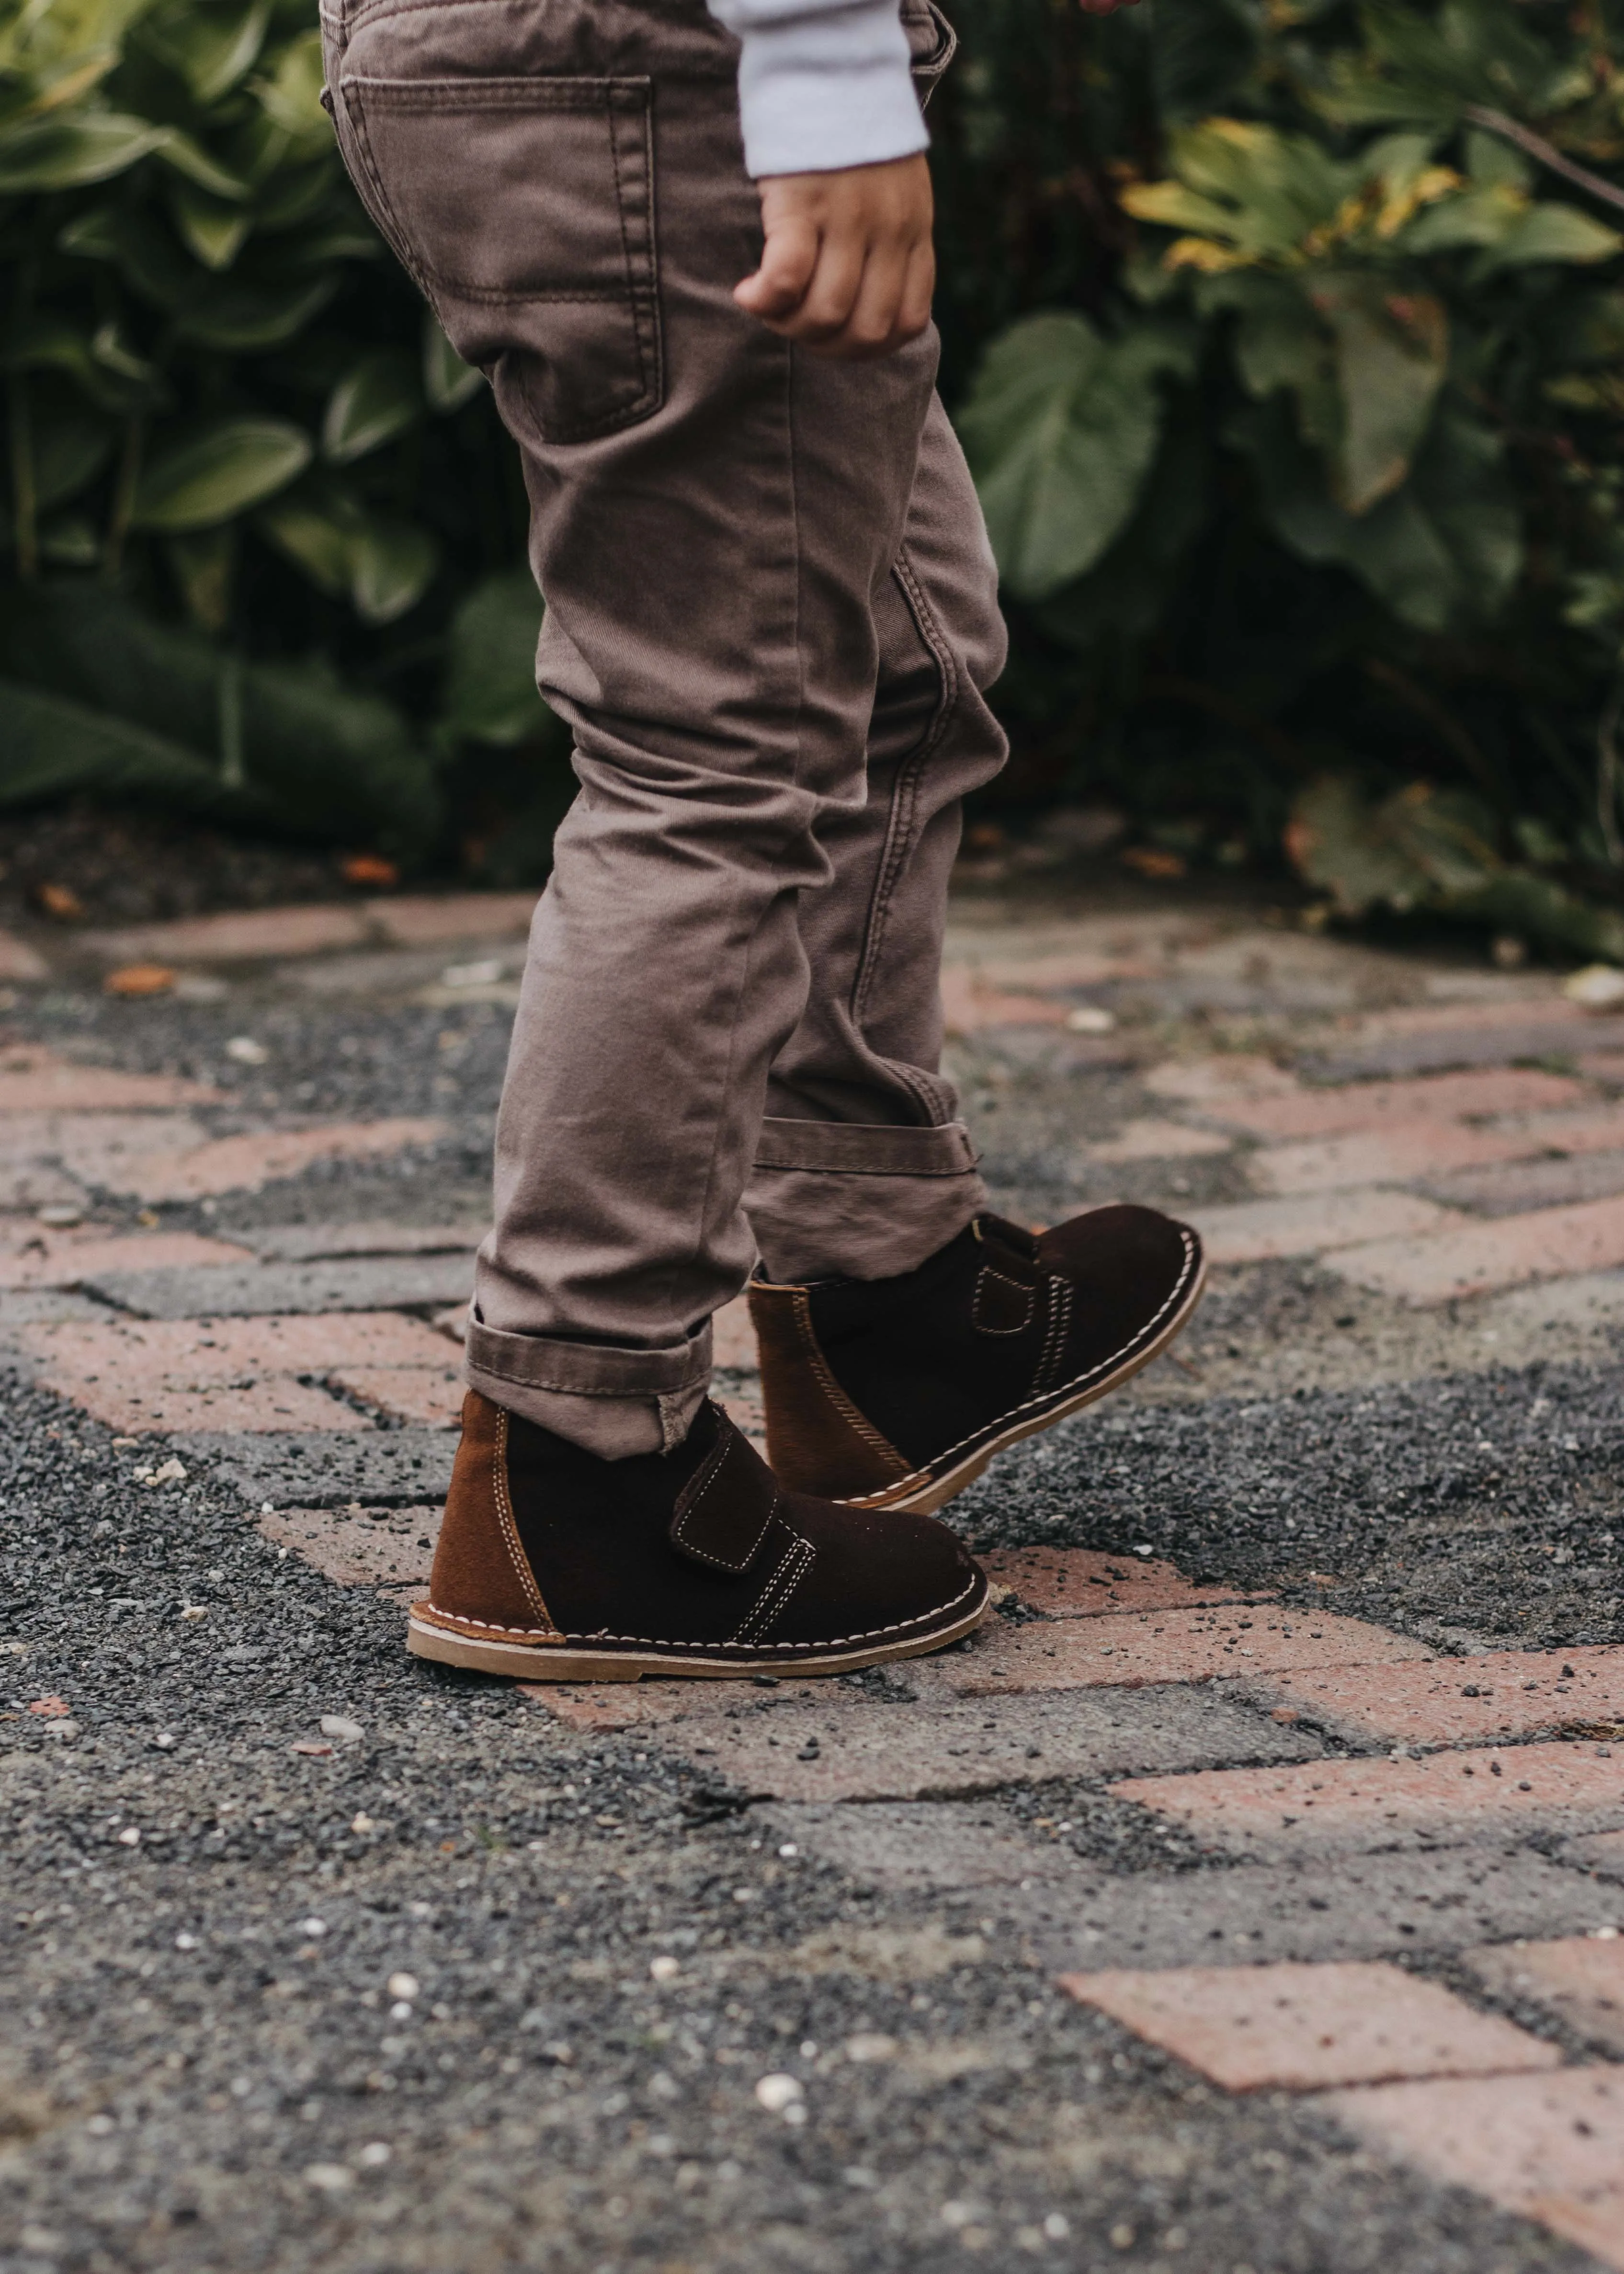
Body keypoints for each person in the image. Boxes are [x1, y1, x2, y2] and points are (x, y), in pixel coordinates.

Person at [320, 0, 1190, 1682]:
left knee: (894, 659)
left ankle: (887, 1295)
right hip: (675, 73)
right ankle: (585, 1481)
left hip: (519, 59)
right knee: (706, 754)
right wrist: (825, 64)